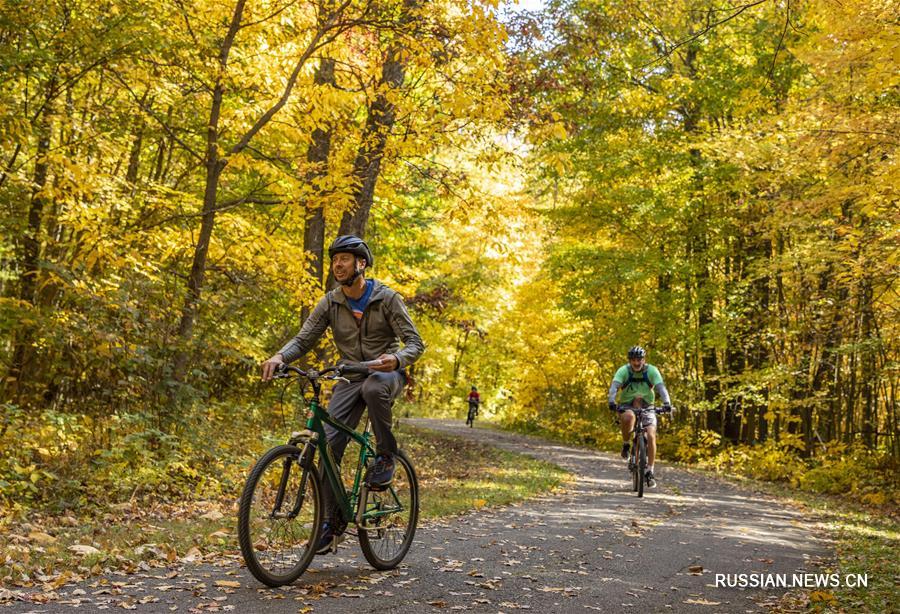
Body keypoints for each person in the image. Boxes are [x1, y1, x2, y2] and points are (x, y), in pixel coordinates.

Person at [261, 235, 425, 552]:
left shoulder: (387, 299)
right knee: (328, 447)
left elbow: (415, 343)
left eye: (345, 259)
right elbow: (303, 339)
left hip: (385, 372)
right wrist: (280, 356)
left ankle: (386, 455)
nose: (338, 264)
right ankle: (330, 523)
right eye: (335, 259)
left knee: (375, 386)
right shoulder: (331, 302)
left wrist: (397, 359)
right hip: (349, 377)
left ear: (361, 264)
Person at [607, 346, 672, 488]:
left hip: (648, 405)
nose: (636, 363)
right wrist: (611, 401)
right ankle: (626, 444)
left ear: (644, 360)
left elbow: (661, 387)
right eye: (633, 360)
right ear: (629, 361)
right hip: (627, 404)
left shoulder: (652, 371)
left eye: (639, 360)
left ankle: (650, 471)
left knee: (651, 435)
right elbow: (614, 387)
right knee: (628, 418)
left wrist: (667, 403)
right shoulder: (624, 371)